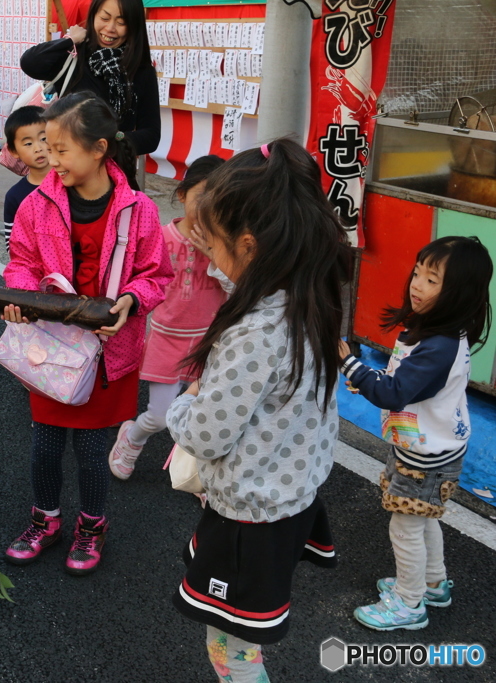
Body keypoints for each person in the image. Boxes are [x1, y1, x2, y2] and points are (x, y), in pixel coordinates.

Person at [164, 139, 350, 682]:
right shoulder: (308, 296)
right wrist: (218, 252)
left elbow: (206, 435)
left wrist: (185, 403)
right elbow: (246, 281)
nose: (210, 257)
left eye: (216, 245)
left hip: (248, 517)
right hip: (290, 499)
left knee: (233, 651)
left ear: (249, 246)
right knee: (243, 638)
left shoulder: (252, 335)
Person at [1, 92, 172, 575]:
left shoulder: (138, 210)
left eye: (60, 150)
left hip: (108, 354)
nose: (50, 161)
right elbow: (21, 264)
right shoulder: (37, 204)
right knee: (46, 445)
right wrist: (21, 299)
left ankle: (92, 526)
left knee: (94, 450)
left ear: (99, 149)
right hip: (52, 349)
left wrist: (132, 300)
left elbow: (156, 275)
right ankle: (46, 520)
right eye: (46, 150)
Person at [340, 236, 492, 631]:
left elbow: (393, 392)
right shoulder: (440, 331)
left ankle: (409, 604)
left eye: (432, 279)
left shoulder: (438, 345)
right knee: (423, 519)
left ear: (458, 293)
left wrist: (351, 365)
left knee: (405, 525)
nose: (417, 284)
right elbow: (400, 384)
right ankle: (433, 584)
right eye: (418, 272)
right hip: (429, 446)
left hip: (425, 456)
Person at [108, 155, 226, 480]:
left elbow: (239, 287)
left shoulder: (224, 245)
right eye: (202, 196)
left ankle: (199, 478)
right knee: (160, 417)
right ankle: (131, 438)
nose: (208, 208)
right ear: (183, 194)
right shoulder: (161, 237)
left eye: (219, 201)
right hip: (165, 340)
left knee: (206, 419)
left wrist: (217, 255)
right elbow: (138, 280)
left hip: (209, 343)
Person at [20, 0, 158, 156]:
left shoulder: (141, 70)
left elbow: (151, 135)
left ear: (133, 26)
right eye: (104, 18)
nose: (110, 28)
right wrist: (70, 40)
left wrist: (109, 141)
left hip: (114, 170)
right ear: (93, 16)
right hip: (68, 166)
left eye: (121, 22)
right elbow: (30, 63)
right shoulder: (74, 55)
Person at [2, 105, 48, 251]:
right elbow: (12, 245)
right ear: (14, 151)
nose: (38, 148)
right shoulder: (15, 196)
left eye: (44, 138)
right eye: (28, 143)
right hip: (35, 271)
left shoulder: (71, 182)